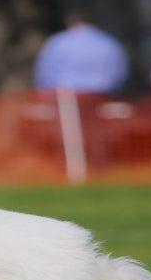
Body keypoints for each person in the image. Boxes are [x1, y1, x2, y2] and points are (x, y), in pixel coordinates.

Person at [34, 13, 129, 170]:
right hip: (99, 95)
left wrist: (44, 94)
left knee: (67, 133)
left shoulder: (58, 42)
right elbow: (118, 71)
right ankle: (97, 166)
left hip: (66, 95)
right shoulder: (107, 42)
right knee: (96, 132)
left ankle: (71, 168)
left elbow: (46, 71)